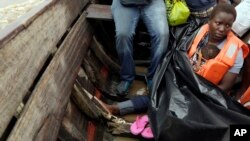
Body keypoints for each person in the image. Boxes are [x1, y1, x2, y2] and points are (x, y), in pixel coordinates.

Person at [105, 3, 249, 116]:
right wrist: (179, 84)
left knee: (179, 106)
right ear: (210, 21)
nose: (222, 29)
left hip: (206, 95)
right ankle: (117, 108)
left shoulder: (235, 52)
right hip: (183, 80)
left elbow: (225, 87)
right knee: (161, 95)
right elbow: (179, 58)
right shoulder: (197, 32)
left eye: (228, 26)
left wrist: (197, 94)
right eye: (218, 23)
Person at [111, 0, 169, 96]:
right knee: (123, 35)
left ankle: (154, 76)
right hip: (124, 3)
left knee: (162, 35)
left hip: (153, 2)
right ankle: (127, 76)